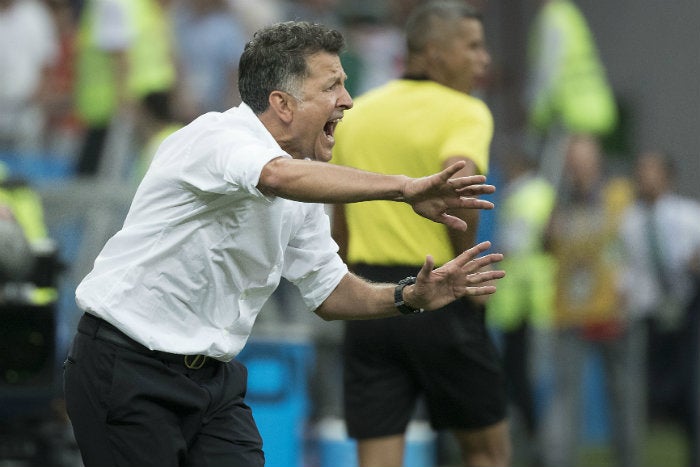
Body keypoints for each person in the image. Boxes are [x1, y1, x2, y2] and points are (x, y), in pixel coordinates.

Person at [62, 20, 505, 467]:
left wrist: (408, 296)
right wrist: (404, 187)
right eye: (332, 86)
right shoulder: (216, 137)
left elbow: (330, 291)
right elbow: (275, 176)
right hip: (127, 365)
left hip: (214, 382)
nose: (348, 101)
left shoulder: (305, 184)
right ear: (283, 104)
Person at [331, 3, 511, 466]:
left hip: (370, 300)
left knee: (377, 456)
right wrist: (466, 271)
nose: (483, 58)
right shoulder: (466, 110)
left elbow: (340, 214)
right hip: (440, 290)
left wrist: (348, 282)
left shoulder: (360, 111)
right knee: (487, 451)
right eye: (471, 46)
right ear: (433, 53)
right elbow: (462, 181)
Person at [540, 134, 641, 467]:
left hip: (615, 310)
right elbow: (548, 246)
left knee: (624, 397)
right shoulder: (560, 201)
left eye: (583, 159)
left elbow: (632, 247)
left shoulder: (619, 195)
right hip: (569, 312)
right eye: (573, 160)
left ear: (597, 160)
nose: (577, 166)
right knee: (565, 397)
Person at [618, 150, 700, 467]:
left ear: (667, 176)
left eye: (652, 170)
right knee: (652, 392)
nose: (644, 177)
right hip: (649, 315)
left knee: (692, 388)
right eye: (640, 170)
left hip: (688, 309)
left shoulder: (690, 215)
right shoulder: (629, 221)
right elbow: (625, 269)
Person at [485, 148, 556, 464]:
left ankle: (537, 445)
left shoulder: (529, 195)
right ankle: (532, 443)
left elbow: (517, 243)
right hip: (523, 301)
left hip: (529, 301)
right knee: (519, 377)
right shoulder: (535, 193)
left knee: (525, 379)